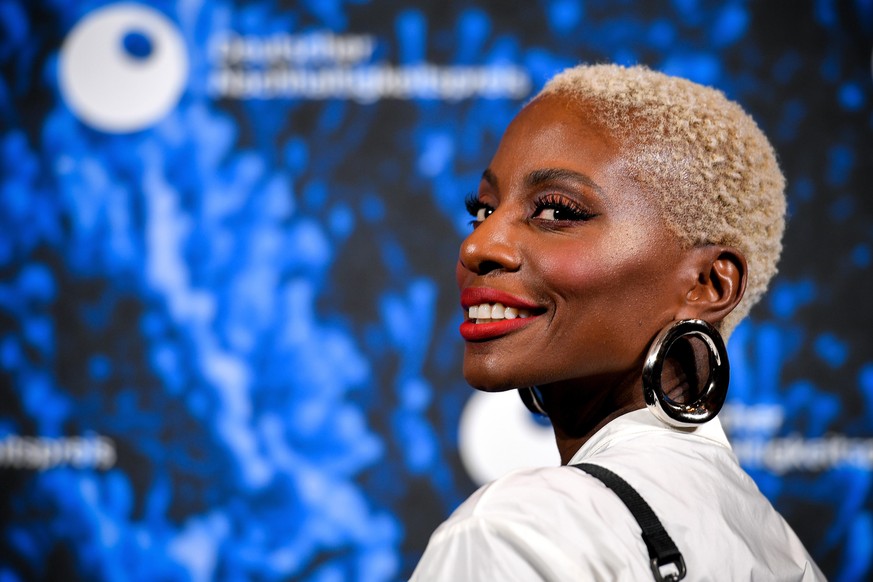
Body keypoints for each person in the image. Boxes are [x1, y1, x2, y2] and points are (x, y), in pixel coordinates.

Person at [410, 64, 824, 581]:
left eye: (557, 211)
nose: (476, 246)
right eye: (482, 212)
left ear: (709, 285)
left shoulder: (515, 533)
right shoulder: (781, 549)